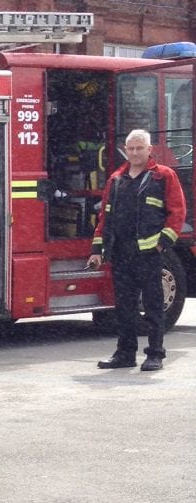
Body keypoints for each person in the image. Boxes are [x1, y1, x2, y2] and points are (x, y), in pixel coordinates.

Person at [88, 128, 186, 372]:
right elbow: (105, 217)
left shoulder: (163, 176)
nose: (134, 152)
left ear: (149, 150)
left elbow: (177, 212)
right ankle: (125, 353)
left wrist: (162, 242)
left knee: (153, 307)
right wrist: (96, 249)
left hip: (150, 255)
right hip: (121, 254)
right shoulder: (116, 179)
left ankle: (155, 354)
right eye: (130, 148)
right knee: (124, 307)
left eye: (139, 148)